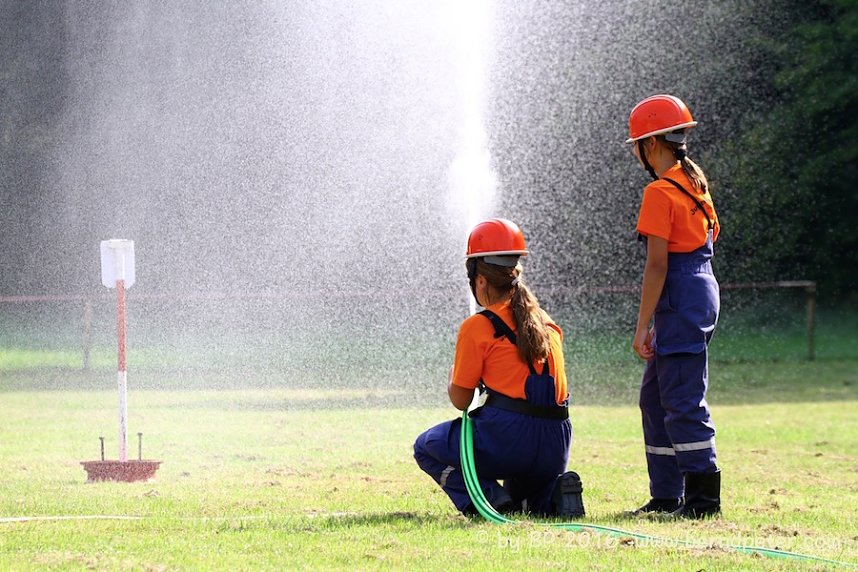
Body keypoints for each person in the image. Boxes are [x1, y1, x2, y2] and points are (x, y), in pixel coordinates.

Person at [413, 218, 584, 518]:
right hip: (555, 444)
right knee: (525, 503)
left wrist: (454, 376)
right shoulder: (547, 322)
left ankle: (489, 499)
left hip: (509, 440)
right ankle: (552, 497)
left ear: (480, 280)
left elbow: (461, 400)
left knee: (425, 446)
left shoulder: (477, 327)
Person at [625, 94, 721, 518]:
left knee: (682, 400)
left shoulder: (660, 191)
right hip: (696, 289)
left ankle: (703, 501)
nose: (636, 153)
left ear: (651, 144)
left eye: (637, 145)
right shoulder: (695, 183)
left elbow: (657, 265)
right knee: (654, 398)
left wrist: (642, 325)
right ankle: (667, 495)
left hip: (680, 295)